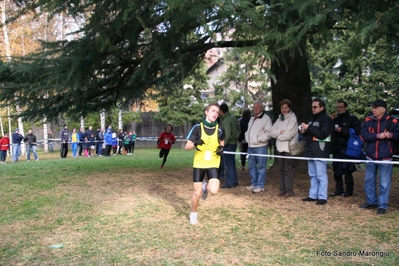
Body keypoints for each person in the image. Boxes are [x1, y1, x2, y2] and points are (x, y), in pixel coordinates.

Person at [185, 103, 224, 225]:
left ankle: (205, 186)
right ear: (206, 112)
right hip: (199, 163)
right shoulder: (197, 127)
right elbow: (187, 147)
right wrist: (196, 142)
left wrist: (221, 149)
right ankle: (193, 214)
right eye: (213, 111)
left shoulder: (220, 129)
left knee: (214, 191)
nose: (215, 114)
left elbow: (222, 142)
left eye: (217, 112)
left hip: (213, 162)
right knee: (197, 193)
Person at [359, 99, 399, 214]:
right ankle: (371, 202)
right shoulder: (368, 121)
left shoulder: (393, 122)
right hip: (371, 156)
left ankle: (382, 205)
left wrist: (390, 135)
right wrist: (378, 136)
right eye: (373, 107)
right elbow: (363, 136)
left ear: (383, 109)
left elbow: (398, 135)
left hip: (386, 157)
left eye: (376, 107)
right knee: (368, 181)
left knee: (384, 183)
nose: (373, 110)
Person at [300, 98, 334, 205]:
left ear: (322, 107)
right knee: (312, 174)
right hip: (310, 149)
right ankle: (313, 195)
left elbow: (322, 134)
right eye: (312, 107)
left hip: (320, 149)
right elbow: (310, 133)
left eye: (315, 107)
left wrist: (308, 127)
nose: (313, 109)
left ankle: (322, 196)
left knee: (321, 175)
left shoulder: (326, 119)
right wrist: (303, 131)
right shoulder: (312, 118)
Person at [330, 99, 361, 197]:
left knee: (347, 170)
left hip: (347, 148)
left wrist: (342, 130)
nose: (339, 109)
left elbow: (356, 131)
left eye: (341, 107)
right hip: (336, 148)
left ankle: (349, 190)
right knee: (336, 170)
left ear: (346, 108)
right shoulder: (335, 119)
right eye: (337, 107)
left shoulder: (352, 119)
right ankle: (338, 189)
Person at [270, 99, 298, 198]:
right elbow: (272, 132)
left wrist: (279, 135)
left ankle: (289, 191)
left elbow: (289, 135)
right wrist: (279, 133)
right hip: (280, 148)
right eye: (282, 108)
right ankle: (282, 189)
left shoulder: (292, 118)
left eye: (286, 107)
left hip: (288, 149)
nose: (284, 110)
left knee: (288, 170)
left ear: (289, 108)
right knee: (281, 170)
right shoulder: (279, 119)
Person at [244, 101, 272, 193]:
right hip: (251, 146)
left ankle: (260, 185)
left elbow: (269, 133)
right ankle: (254, 183)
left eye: (257, 107)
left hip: (260, 146)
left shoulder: (266, 119)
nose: (255, 109)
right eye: (254, 108)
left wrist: (259, 139)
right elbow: (249, 131)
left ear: (261, 108)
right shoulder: (252, 118)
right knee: (251, 166)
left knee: (261, 166)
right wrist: (247, 137)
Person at [219, 103, 240, 188]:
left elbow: (226, 135)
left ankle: (229, 183)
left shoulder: (227, 120)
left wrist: (223, 144)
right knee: (231, 163)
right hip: (234, 143)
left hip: (229, 144)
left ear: (221, 111)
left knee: (228, 164)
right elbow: (238, 130)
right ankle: (234, 181)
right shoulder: (233, 118)